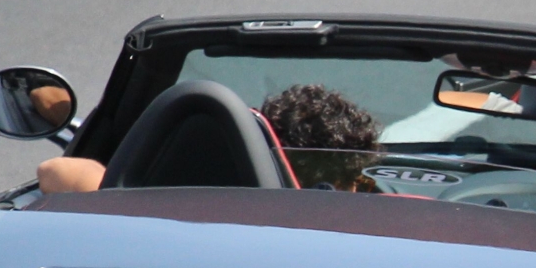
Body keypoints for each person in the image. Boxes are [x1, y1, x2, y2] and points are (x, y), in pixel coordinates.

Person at [33, 82, 379, 194]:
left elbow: (52, 171)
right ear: (342, 181)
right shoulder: (346, 232)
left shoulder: (170, 208)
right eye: (357, 179)